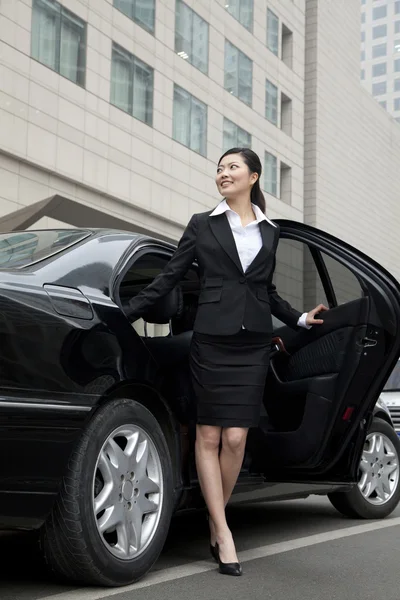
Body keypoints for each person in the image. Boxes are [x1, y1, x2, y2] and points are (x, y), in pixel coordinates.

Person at [126, 148, 328, 576]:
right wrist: (126, 311)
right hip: (212, 340)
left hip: (253, 342)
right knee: (209, 435)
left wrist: (298, 317)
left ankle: (216, 515)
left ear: (253, 176)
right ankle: (222, 529)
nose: (223, 173)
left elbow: (266, 290)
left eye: (232, 167)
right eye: (218, 168)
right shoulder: (203, 224)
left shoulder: (270, 232)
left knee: (236, 438)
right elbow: (171, 276)